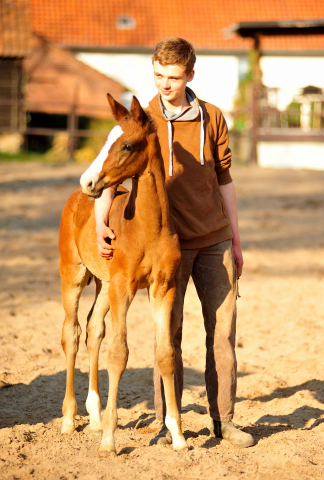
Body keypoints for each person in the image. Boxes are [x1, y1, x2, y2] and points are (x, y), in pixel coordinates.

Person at [95, 37, 254, 448]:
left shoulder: (213, 117)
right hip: (167, 246)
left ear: (190, 76)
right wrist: (100, 225)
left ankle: (225, 421)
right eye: (159, 75)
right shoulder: (141, 119)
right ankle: (171, 420)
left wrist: (236, 240)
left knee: (222, 333)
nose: (165, 84)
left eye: (174, 77)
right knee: (170, 334)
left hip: (215, 238)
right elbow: (108, 171)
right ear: (153, 69)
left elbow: (225, 180)